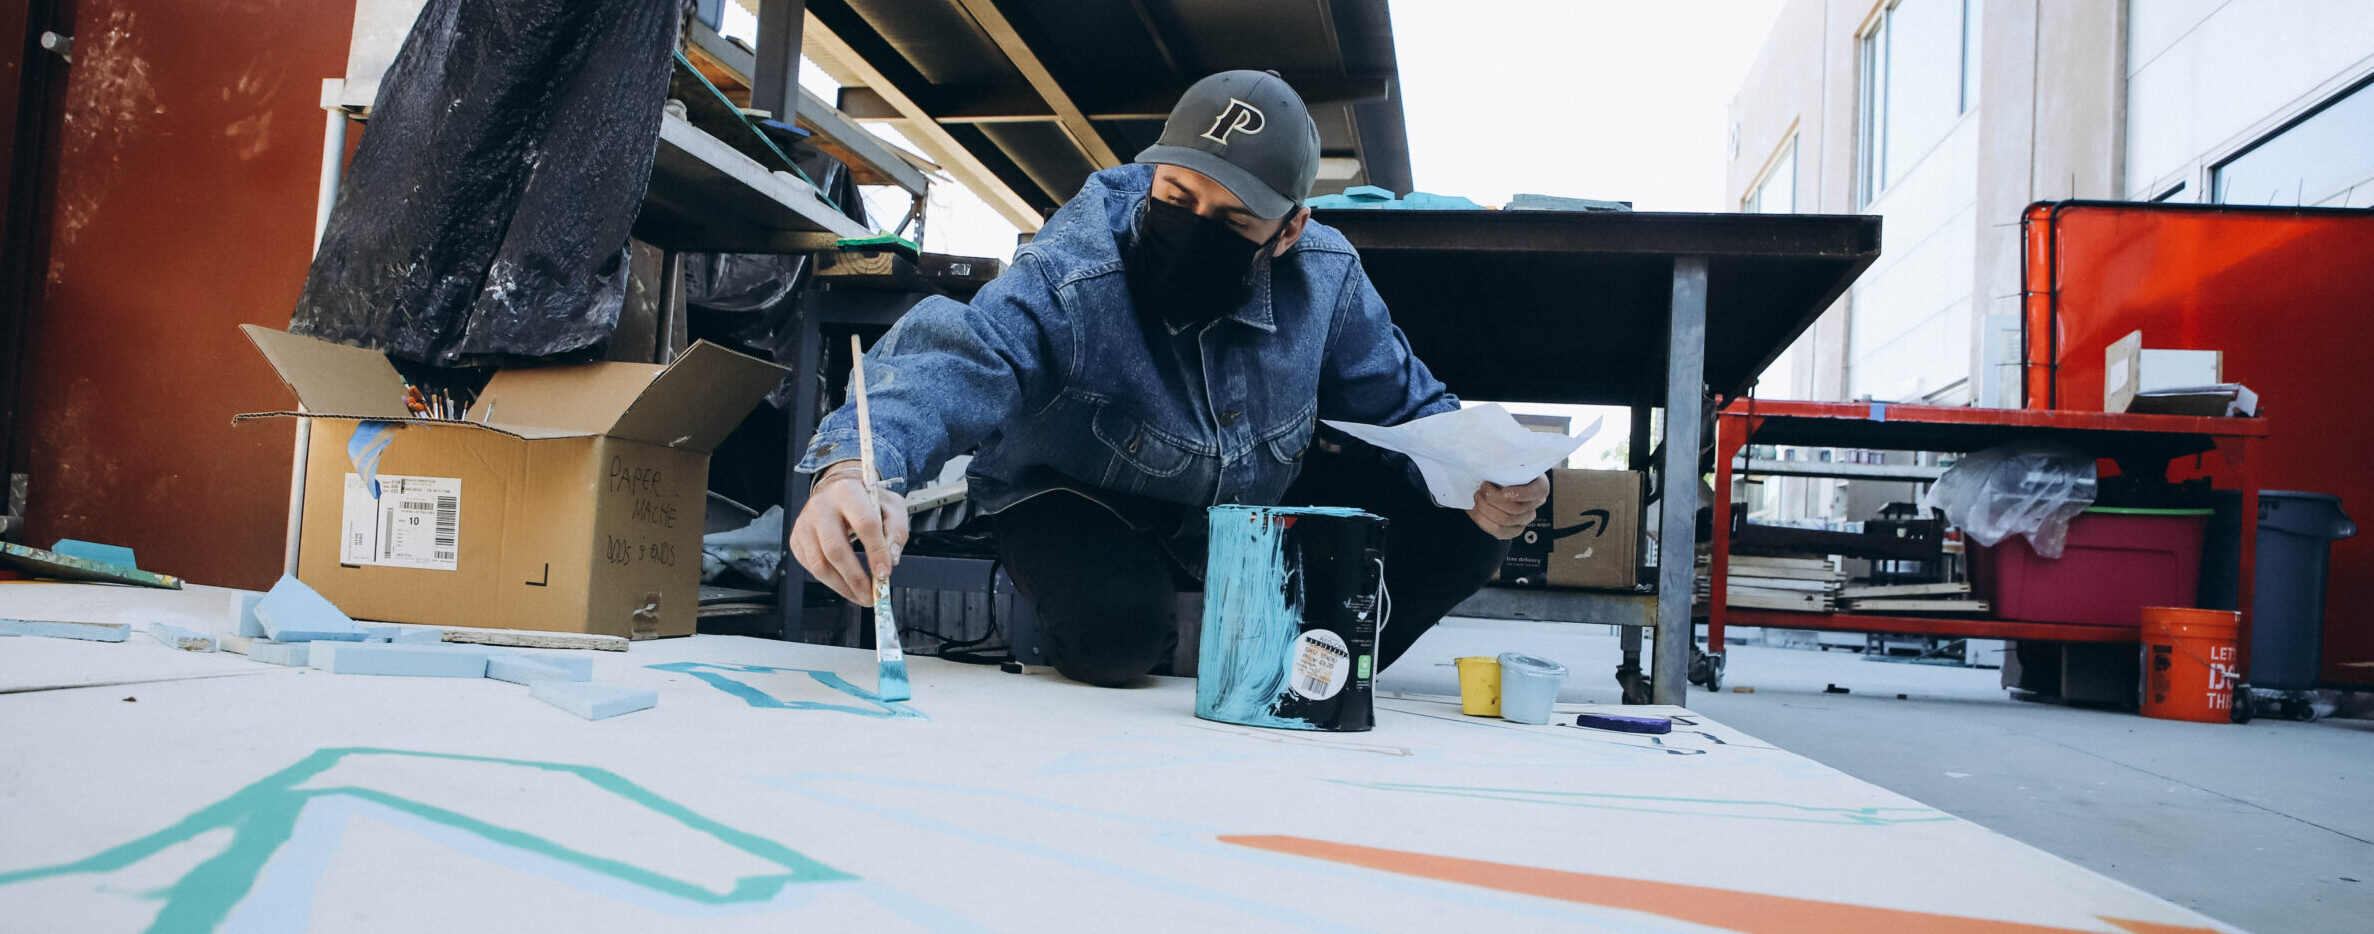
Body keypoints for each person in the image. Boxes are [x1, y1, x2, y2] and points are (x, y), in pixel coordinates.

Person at [790, 70, 1548, 687]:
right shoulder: (1079, 265)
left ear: (1290, 229)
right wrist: (855, 469)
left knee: (1470, 532)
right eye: (1177, 200)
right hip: (1075, 492)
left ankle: (1304, 672)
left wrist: (1492, 475)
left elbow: (1411, 413)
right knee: (1112, 634)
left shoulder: (1329, 282)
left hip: (1236, 512)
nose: (1193, 228)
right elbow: (965, 355)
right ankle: (1182, 632)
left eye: (1232, 221)